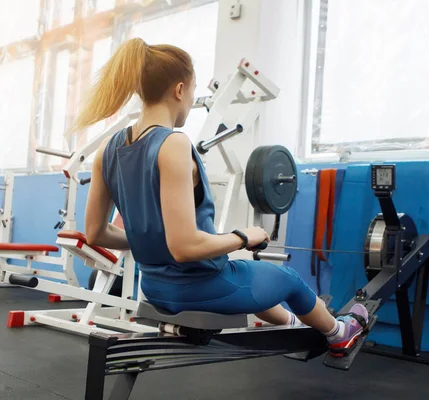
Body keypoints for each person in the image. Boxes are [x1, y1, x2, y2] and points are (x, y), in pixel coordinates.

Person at [74, 38, 368, 352]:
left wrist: (152, 242)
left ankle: (295, 326)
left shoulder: (107, 149)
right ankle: (340, 333)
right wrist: (243, 236)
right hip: (201, 288)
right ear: (179, 90)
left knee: (251, 277)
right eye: (192, 91)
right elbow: (185, 247)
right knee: (290, 279)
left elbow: (95, 233)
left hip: (154, 288)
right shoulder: (172, 144)